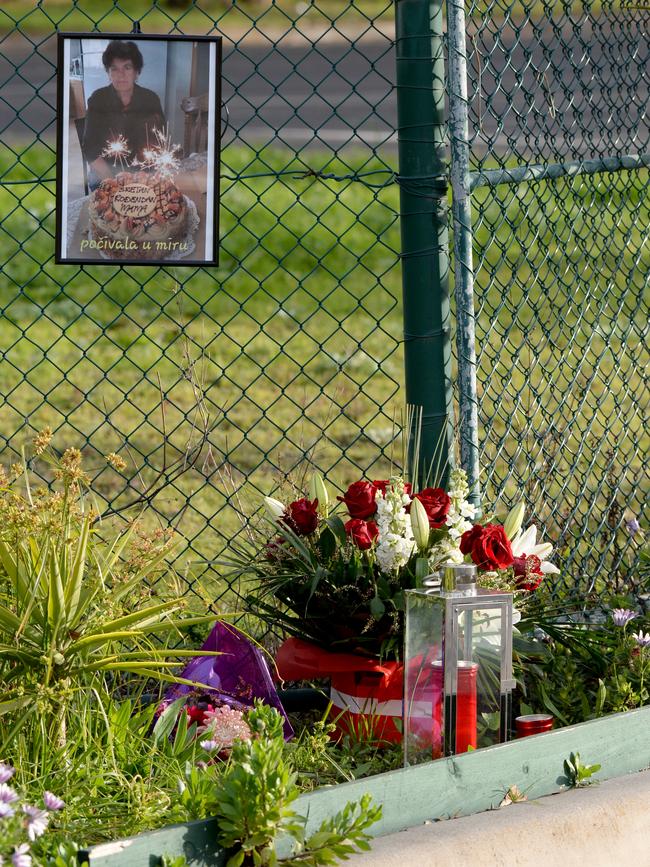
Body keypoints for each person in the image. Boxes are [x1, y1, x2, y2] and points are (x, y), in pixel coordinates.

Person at [82, 40, 165, 189]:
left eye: (127, 67)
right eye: (114, 69)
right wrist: (115, 183)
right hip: (105, 174)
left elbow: (160, 143)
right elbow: (90, 149)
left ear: (136, 71)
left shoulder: (151, 99)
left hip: (143, 175)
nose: (121, 75)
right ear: (108, 72)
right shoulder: (97, 99)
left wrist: (145, 180)